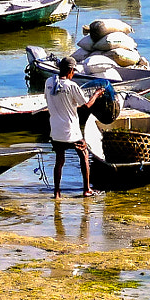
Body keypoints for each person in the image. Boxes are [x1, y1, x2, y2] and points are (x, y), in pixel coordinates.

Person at [45, 57, 101, 197]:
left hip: (55, 131)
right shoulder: (72, 86)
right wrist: (96, 94)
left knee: (59, 160)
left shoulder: (49, 82)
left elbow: (48, 99)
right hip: (71, 131)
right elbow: (86, 106)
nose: (74, 74)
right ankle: (87, 189)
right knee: (84, 155)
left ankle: (57, 192)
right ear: (70, 70)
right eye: (73, 71)